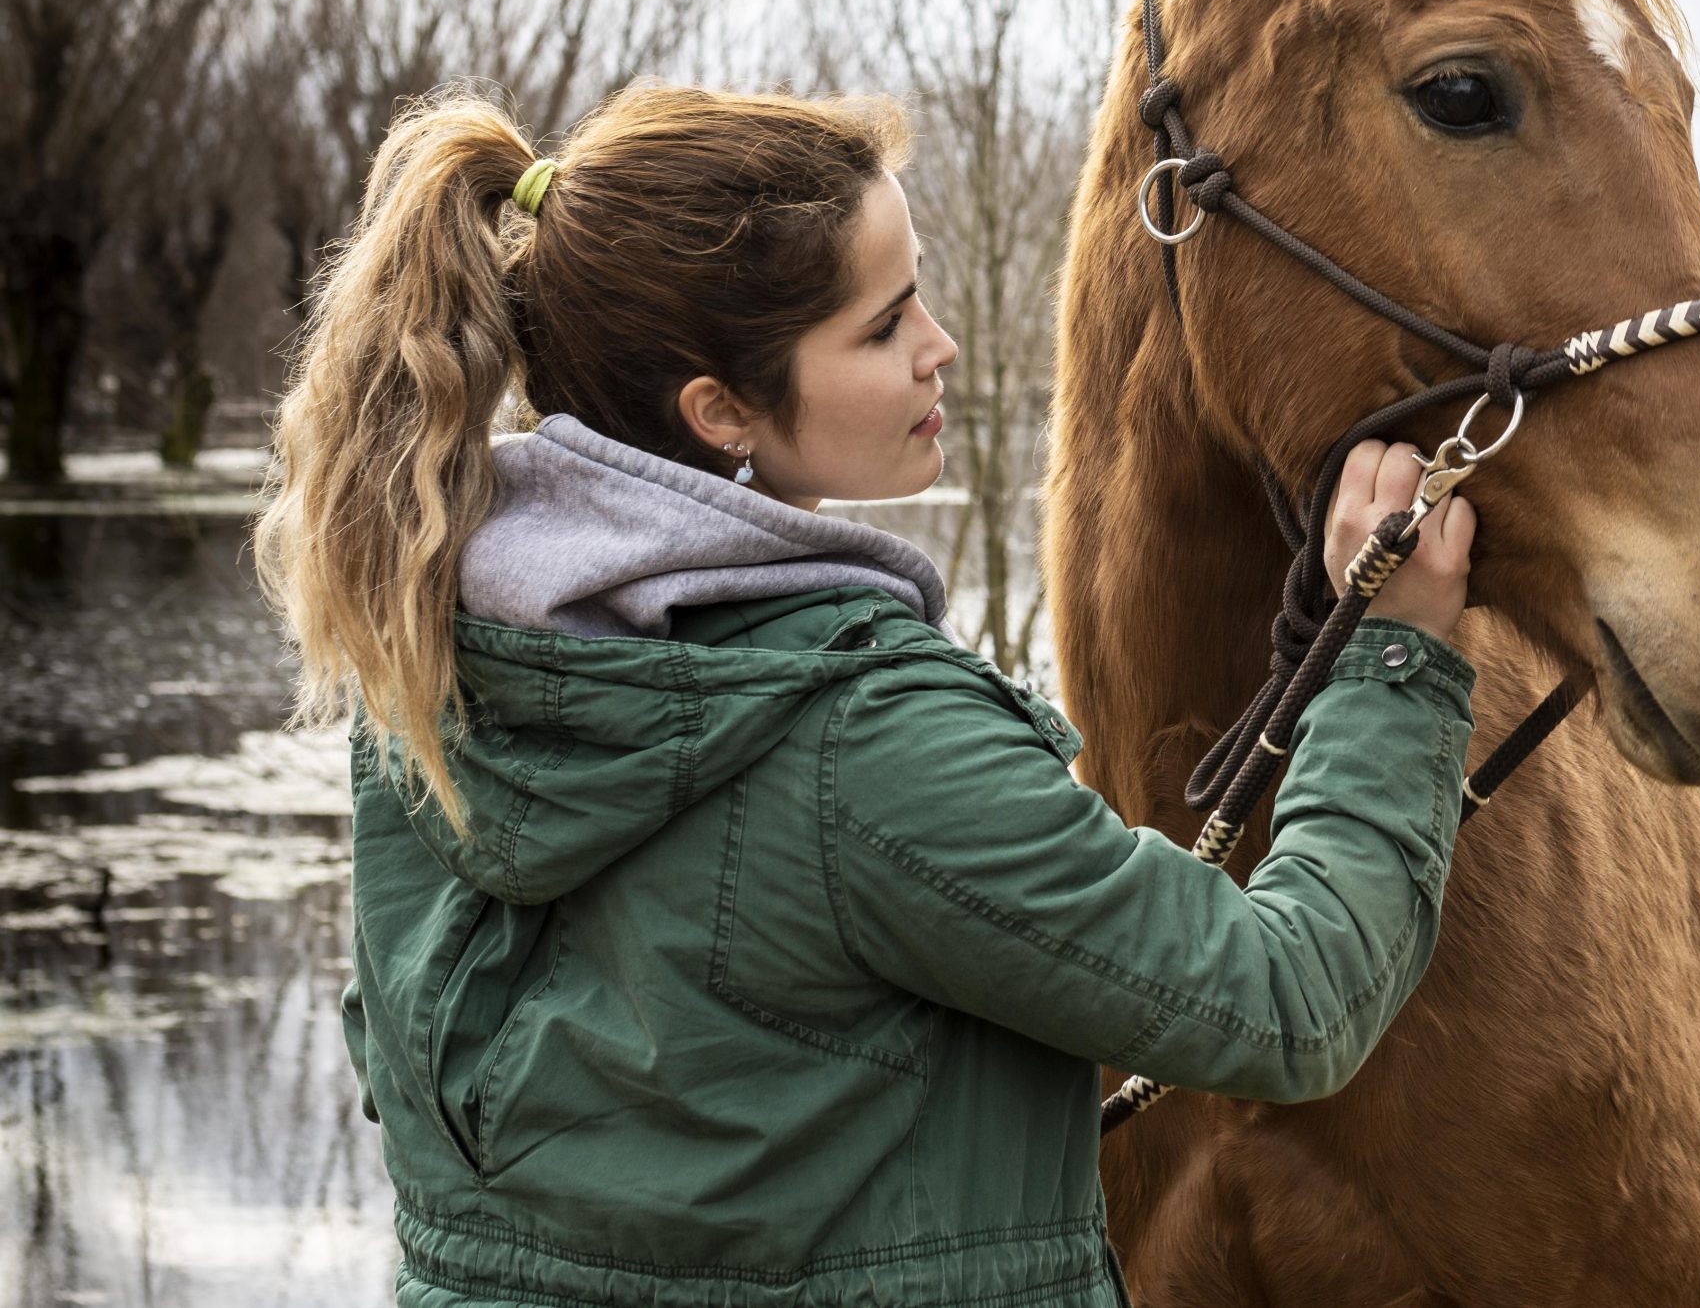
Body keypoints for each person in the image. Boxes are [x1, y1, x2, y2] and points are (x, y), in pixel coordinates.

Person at [253, 80, 1478, 1308]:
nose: (940, 345)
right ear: (720, 409)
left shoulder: (425, 667)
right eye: (884, 324)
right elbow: (1287, 1001)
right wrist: (1392, 657)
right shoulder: (867, 735)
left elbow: (406, 1052)